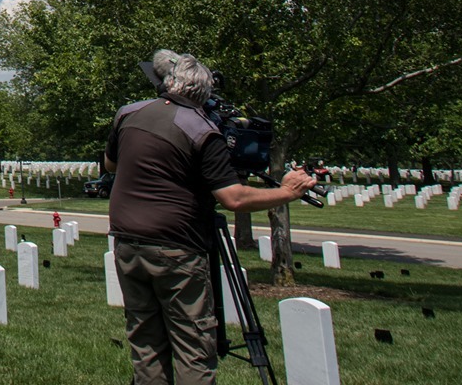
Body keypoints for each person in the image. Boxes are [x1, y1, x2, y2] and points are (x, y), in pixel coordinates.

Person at [105, 49, 315, 385]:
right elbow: (232, 197)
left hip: (127, 242)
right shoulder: (202, 129)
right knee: (193, 342)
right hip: (176, 246)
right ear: (203, 92)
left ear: (169, 83)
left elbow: (111, 165)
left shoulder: (128, 113)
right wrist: (288, 192)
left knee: (145, 340)